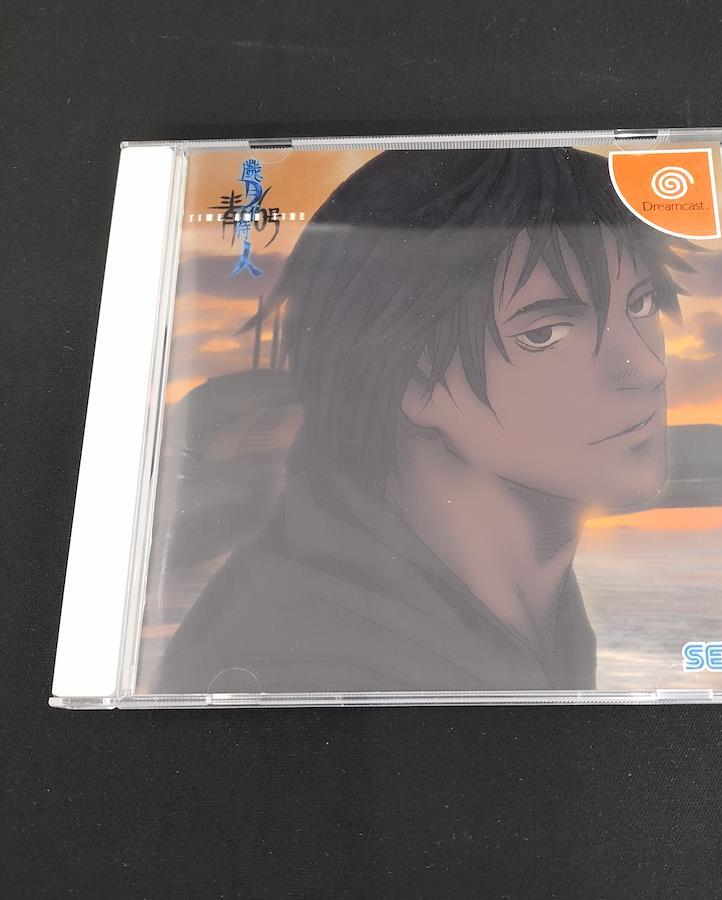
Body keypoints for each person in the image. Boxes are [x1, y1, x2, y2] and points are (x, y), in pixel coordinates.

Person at [155, 148, 689, 694]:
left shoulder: (522, 610)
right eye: (544, 334)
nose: (647, 367)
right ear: (411, 377)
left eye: (642, 304)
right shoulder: (294, 668)